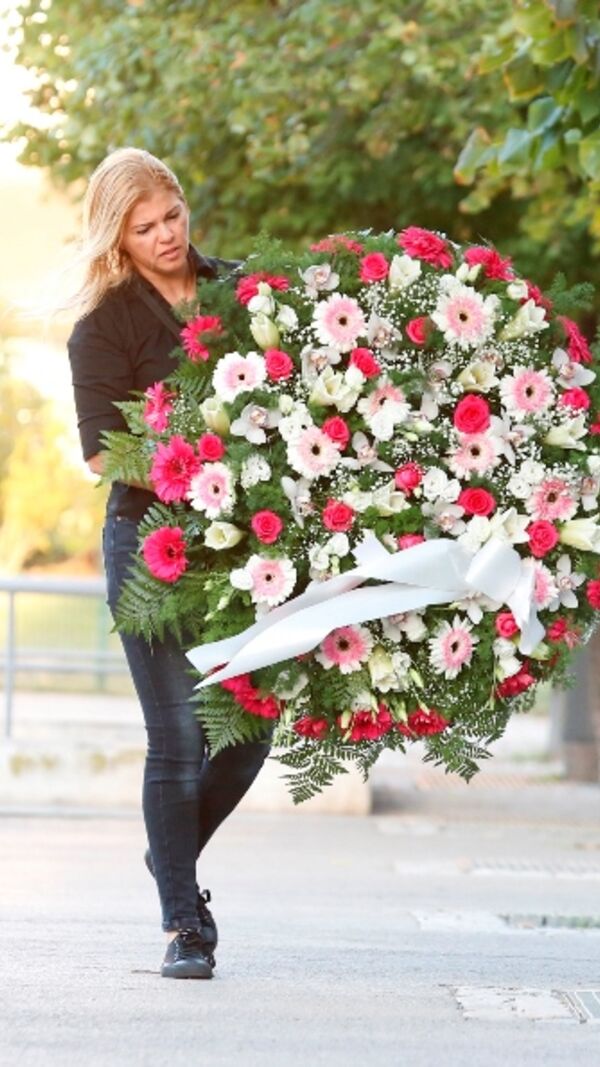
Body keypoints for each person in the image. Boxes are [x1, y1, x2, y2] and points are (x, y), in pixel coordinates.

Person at [67, 147, 271, 979]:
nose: (165, 236)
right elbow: (101, 453)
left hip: (250, 543)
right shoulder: (103, 327)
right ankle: (185, 924)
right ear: (118, 237)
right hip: (148, 540)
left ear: (186, 206)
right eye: (144, 227)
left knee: (251, 724)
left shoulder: (245, 292)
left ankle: (169, 852)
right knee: (179, 736)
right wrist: (206, 468)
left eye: (172, 216)